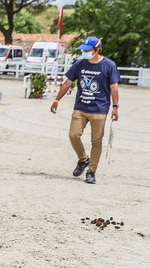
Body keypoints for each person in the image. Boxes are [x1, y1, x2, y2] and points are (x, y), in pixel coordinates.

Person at [50, 36, 120, 184]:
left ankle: (91, 172)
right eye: (84, 50)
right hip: (81, 107)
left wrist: (115, 107)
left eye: (88, 50)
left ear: (97, 50)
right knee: (73, 135)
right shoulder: (80, 64)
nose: (85, 52)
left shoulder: (109, 65)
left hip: (99, 109)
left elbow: (114, 87)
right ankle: (83, 159)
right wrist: (56, 100)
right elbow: (67, 83)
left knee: (96, 141)